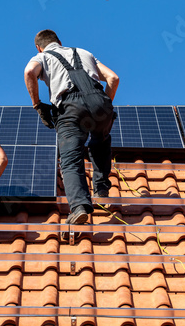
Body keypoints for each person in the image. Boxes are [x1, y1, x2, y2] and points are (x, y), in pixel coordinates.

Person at [24, 29, 119, 225]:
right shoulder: (84, 53)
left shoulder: (41, 57)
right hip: (99, 100)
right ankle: (101, 187)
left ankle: (80, 207)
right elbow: (113, 78)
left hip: (70, 108)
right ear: (59, 41)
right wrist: (102, 106)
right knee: (100, 140)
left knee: (70, 159)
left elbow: (29, 73)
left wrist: (37, 105)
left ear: (38, 47)